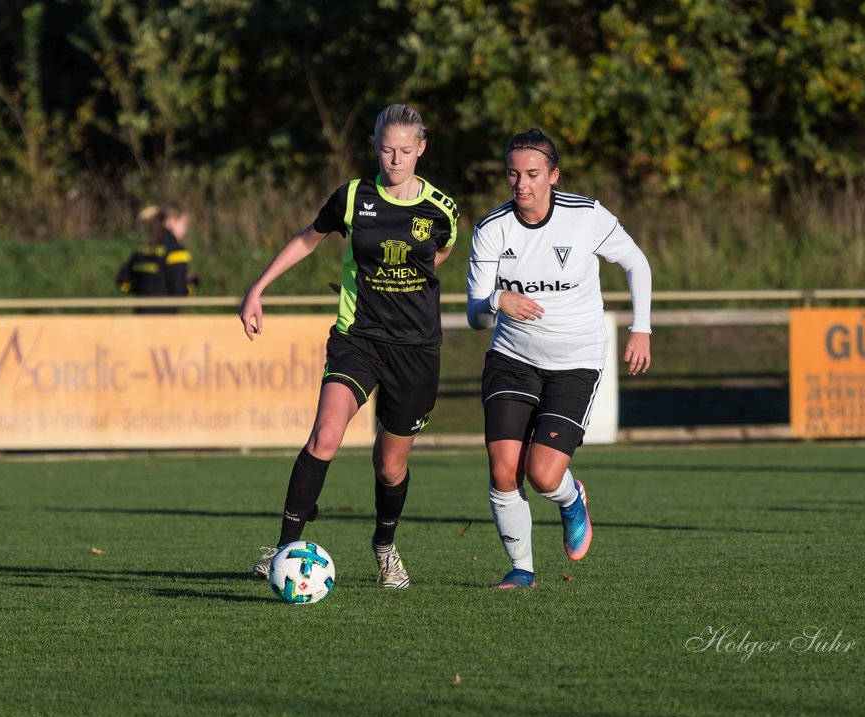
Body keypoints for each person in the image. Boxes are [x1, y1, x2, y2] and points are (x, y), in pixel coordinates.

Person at [239, 104, 458, 588]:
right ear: (375, 147)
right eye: (386, 149)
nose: (395, 160)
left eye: (405, 151)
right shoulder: (353, 197)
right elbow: (307, 239)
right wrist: (258, 288)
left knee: (389, 464)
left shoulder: (442, 210)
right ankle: (283, 551)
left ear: (421, 149)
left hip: (416, 350)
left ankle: (384, 546)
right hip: (357, 338)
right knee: (325, 437)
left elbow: (440, 254)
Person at [466, 129, 652, 589]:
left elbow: (636, 263)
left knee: (543, 474)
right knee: (503, 468)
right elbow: (474, 314)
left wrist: (641, 328)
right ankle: (521, 569)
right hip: (511, 358)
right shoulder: (492, 230)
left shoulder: (585, 216)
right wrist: (496, 302)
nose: (521, 184)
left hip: (575, 361)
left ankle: (570, 499)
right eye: (513, 173)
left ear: (553, 175)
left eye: (532, 174)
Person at [115, 204, 198, 313]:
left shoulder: (142, 250)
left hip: (140, 319)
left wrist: (144, 289)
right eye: (184, 224)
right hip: (164, 322)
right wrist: (193, 282)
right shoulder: (176, 252)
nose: (186, 230)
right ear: (171, 221)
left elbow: (122, 283)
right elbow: (179, 295)